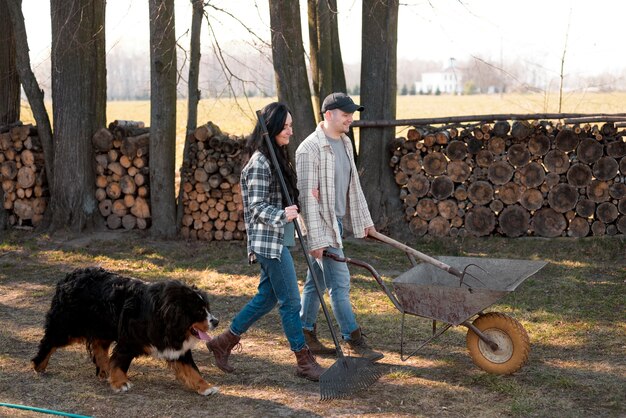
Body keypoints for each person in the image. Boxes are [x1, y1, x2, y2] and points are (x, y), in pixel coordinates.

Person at [207, 102, 325, 381]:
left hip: (277, 239)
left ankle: (222, 342)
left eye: (291, 126)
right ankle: (303, 359)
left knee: (266, 298)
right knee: (289, 300)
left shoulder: (275, 157)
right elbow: (256, 207)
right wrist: (282, 214)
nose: (290, 132)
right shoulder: (259, 163)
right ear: (271, 128)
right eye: (285, 127)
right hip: (267, 243)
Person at [295, 92, 383, 361]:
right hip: (321, 225)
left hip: (337, 221)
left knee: (316, 282)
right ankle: (353, 339)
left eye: (352, 114)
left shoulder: (344, 142)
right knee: (340, 284)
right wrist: (316, 240)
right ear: (328, 115)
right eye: (346, 114)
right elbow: (306, 197)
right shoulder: (308, 149)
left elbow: (353, 186)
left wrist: (364, 222)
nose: (351, 118)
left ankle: (305, 332)